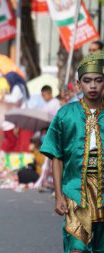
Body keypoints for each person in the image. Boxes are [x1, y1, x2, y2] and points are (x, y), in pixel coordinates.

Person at [40, 51, 104, 253]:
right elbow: (56, 156)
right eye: (87, 81)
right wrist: (58, 195)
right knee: (77, 246)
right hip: (75, 189)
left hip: (103, 191)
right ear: (78, 85)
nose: (92, 86)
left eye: (98, 80)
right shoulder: (65, 114)